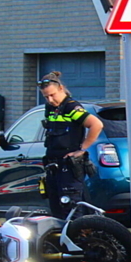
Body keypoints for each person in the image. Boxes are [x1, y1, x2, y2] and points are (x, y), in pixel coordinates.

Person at [38, 71, 104, 219]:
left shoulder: (70, 107)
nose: (50, 99)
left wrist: (82, 149)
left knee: (72, 209)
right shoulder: (50, 108)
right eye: (46, 96)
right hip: (53, 165)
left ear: (61, 88)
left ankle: (78, 239)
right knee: (57, 209)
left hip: (69, 167)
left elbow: (96, 125)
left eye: (52, 95)